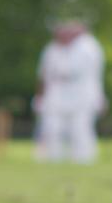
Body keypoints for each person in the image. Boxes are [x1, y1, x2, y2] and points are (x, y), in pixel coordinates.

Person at [35, 21, 106, 164]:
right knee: (52, 127)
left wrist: (99, 97)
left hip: (82, 95)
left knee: (80, 128)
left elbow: (86, 74)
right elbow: (44, 75)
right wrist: (40, 96)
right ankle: (53, 158)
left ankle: (83, 159)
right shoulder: (52, 49)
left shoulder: (88, 46)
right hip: (56, 95)